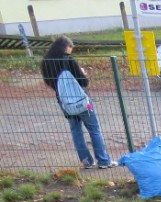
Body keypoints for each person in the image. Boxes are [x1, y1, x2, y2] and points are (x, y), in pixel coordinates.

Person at [40, 36, 117, 170]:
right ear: (66, 47)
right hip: (81, 100)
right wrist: (82, 73)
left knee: (76, 131)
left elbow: (52, 84)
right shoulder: (68, 60)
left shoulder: (46, 63)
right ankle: (104, 160)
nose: (71, 50)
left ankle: (86, 161)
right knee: (94, 129)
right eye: (71, 48)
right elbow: (84, 82)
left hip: (64, 102)